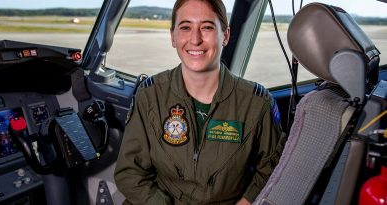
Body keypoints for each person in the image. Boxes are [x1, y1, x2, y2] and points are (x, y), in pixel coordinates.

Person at [114, 0, 286, 204]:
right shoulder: (150, 95)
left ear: (226, 36)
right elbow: (129, 172)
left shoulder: (257, 102)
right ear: (173, 37)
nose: (195, 39)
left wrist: (246, 202)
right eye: (185, 27)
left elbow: (274, 166)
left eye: (207, 27)